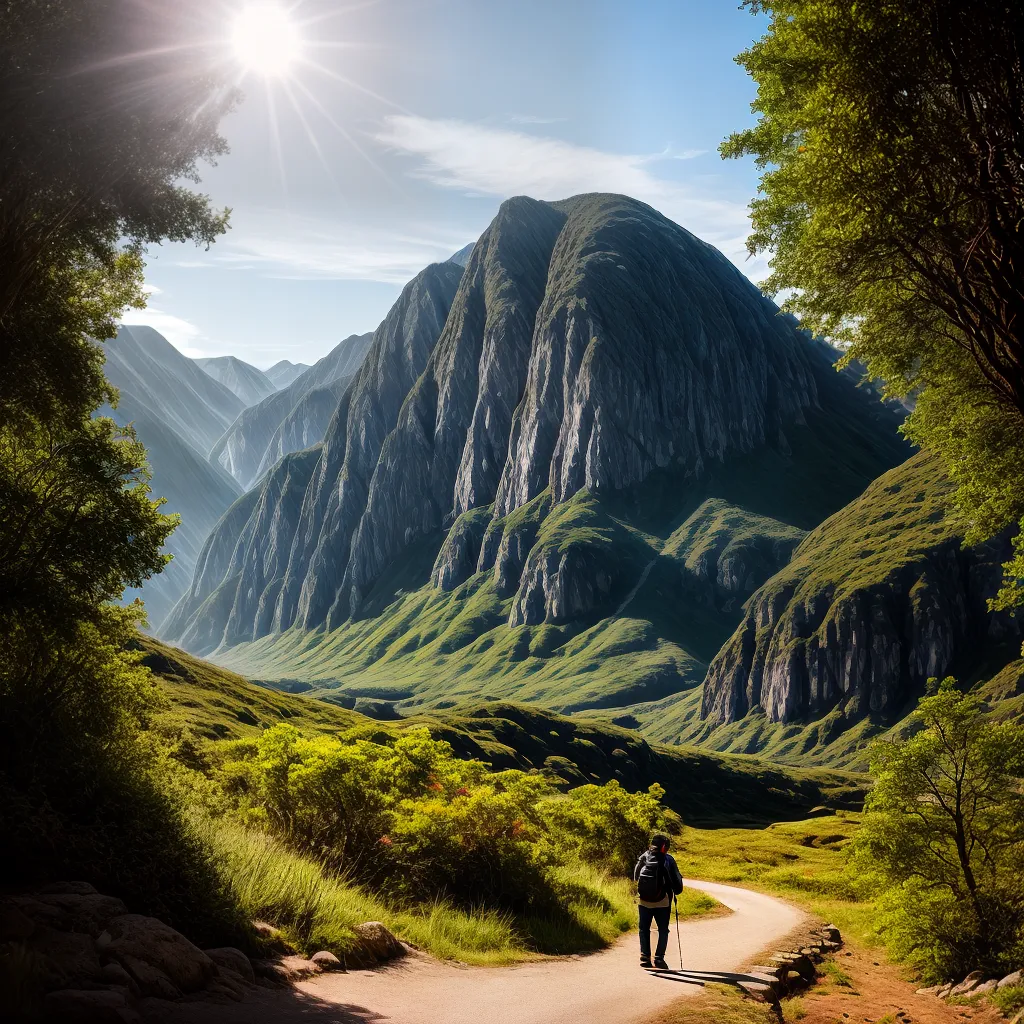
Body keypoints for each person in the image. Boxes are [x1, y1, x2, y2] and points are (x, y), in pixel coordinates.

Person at [633, 831, 683, 970]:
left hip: (643, 900)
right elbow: (676, 881)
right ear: (664, 847)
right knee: (663, 930)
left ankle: (645, 957)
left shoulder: (644, 856)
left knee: (644, 928)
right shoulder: (668, 859)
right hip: (663, 901)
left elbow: (636, 876)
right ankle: (659, 959)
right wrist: (676, 891)